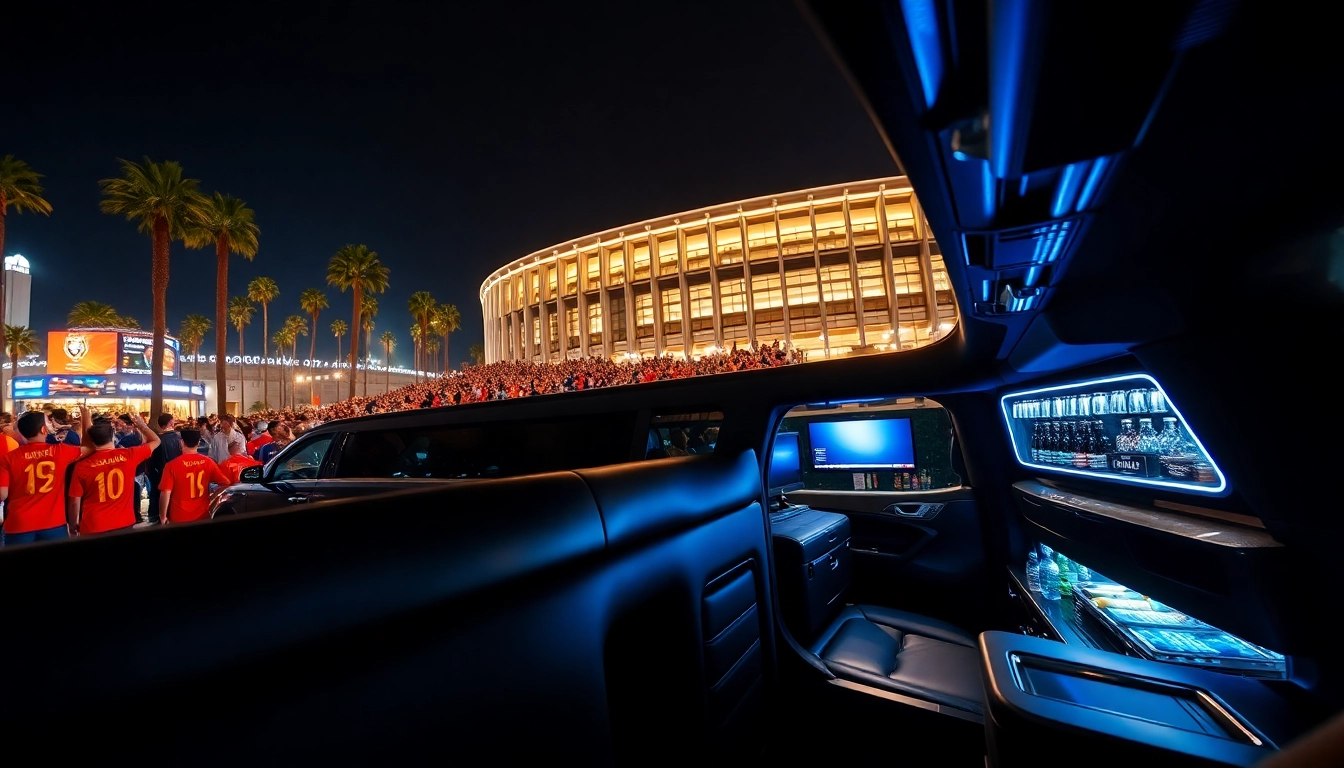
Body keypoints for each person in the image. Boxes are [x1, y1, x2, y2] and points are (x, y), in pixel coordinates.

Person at [0, 407, 93, 545]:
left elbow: (2, 494)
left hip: (19, 525)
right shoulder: (60, 451)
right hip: (54, 524)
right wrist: (86, 418)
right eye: (49, 421)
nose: (52, 424)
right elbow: (90, 447)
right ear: (44, 429)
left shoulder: (8, 458)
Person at [68, 413, 159, 536]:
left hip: (93, 525)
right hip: (124, 522)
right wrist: (141, 425)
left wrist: (73, 523)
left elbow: (74, 500)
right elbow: (156, 440)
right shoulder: (129, 455)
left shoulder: (82, 465)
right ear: (112, 436)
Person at [158, 429, 230, 524]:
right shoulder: (208, 462)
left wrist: (162, 517)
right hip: (203, 516)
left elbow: (165, 493)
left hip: (179, 517)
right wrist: (213, 497)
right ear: (198, 443)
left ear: (182, 442)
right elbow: (226, 483)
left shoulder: (171, 465)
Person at [145, 413, 183, 526]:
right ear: (170, 423)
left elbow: (150, 461)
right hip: (176, 476)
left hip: (158, 475)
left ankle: (157, 517)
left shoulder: (156, 440)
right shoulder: (179, 439)